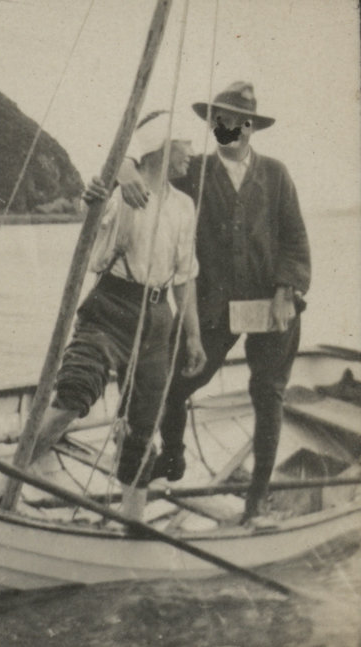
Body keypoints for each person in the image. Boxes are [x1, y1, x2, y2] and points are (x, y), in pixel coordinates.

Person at [117, 82, 310, 523]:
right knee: (172, 384)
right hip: (212, 308)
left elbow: (295, 240)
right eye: (223, 121)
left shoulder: (276, 174)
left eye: (242, 122)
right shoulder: (193, 170)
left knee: (268, 395)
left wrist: (286, 292)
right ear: (211, 125)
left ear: (252, 128)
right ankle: (174, 455)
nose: (233, 129)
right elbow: (147, 157)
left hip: (271, 306)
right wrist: (125, 167)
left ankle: (257, 497)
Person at [27, 111, 206, 520]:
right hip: (111, 307)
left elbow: (185, 277)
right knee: (74, 394)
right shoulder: (120, 189)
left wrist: (192, 336)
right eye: (185, 145)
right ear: (160, 144)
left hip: (158, 316)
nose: (191, 155)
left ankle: (132, 519)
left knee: (143, 425)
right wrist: (115, 180)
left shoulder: (183, 205)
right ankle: (8, 478)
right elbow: (107, 186)